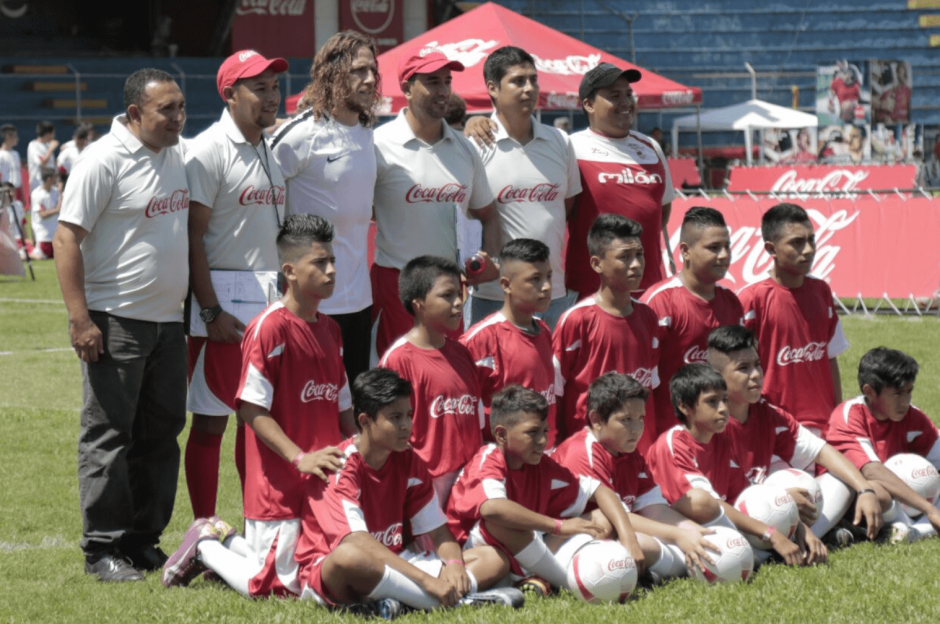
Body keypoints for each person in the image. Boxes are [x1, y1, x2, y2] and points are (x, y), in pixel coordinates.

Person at [164, 214, 358, 595]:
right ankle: (205, 545)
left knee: (315, 574)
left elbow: (344, 409)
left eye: (332, 261)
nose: (332, 270)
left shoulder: (331, 331)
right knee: (272, 586)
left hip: (322, 482)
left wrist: (358, 454)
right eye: (320, 263)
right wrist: (299, 457)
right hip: (278, 485)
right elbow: (251, 410)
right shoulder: (269, 327)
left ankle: (223, 538)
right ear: (289, 270)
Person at [52, 68, 189, 582]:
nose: (178, 117)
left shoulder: (178, 155)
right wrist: (80, 319)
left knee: (162, 434)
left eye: (180, 107)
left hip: (168, 324)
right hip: (115, 322)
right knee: (110, 435)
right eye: (166, 110)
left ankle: (142, 540)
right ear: (134, 113)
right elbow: (66, 239)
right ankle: (102, 550)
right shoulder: (101, 161)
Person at [182, 49, 289, 520]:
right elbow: (192, 236)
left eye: (274, 86)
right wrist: (209, 311)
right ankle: (203, 528)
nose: (272, 96)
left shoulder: (270, 145)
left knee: (257, 422)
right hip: (223, 314)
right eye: (259, 88)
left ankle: (257, 523)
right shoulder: (207, 151)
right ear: (230, 95)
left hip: (266, 311)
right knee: (210, 423)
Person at [445, 385, 646, 591]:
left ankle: (539, 579)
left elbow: (600, 490)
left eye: (545, 431)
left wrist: (628, 539)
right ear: (502, 435)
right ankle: (570, 585)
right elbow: (493, 509)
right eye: (532, 432)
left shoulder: (542, 465)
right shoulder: (489, 458)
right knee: (501, 538)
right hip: (474, 555)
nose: (543, 441)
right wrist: (558, 526)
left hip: (524, 552)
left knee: (601, 518)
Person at [371, 49, 500, 360]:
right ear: (406, 88)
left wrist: (490, 258)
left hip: (449, 288)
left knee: (446, 377)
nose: (443, 91)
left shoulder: (465, 149)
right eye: (432, 82)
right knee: (396, 388)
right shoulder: (377, 145)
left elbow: (488, 215)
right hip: (396, 287)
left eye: (446, 81)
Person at [706, 325, 883, 546]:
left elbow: (822, 452)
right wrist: (781, 500)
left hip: (771, 512)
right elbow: (715, 504)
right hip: (732, 521)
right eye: (743, 368)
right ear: (717, 377)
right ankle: (802, 540)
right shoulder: (707, 426)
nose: (756, 375)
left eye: (757, 365)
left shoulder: (769, 414)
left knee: (840, 480)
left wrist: (864, 489)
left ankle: (802, 539)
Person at [272, 31, 380, 387]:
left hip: (358, 300)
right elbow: (257, 198)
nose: (369, 79)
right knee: (308, 407)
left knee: (354, 411)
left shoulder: (367, 133)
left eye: (372, 70)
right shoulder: (302, 134)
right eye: (358, 71)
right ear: (332, 74)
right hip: (310, 305)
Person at [553, 372, 719, 580]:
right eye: (626, 420)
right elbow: (618, 519)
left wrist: (696, 533)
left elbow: (654, 509)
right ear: (596, 420)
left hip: (612, 534)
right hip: (564, 543)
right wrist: (679, 535)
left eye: (641, 418)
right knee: (638, 541)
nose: (637, 428)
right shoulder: (582, 452)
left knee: (681, 536)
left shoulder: (630, 453)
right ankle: (688, 566)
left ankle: (684, 563)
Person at [464, 46, 581, 329]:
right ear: (493, 88)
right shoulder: (472, 147)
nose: (530, 88)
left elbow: (567, 207)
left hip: (554, 294)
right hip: (495, 296)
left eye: (533, 80)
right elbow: (465, 220)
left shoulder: (561, 141)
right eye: (518, 81)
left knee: (554, 374)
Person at [645, 364, 808, 567]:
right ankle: (756, 554)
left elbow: (742, 495)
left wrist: (795, 523)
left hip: (712, 526)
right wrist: (771, 534)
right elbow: (703, 505)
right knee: (700, 500)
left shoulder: (721, 440)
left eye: (724, 399)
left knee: (771, 499)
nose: (723, 408)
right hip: (674, 533)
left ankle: (777, 548)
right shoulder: (673, 443)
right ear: (684, 407)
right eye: (712, 402)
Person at [738, 203, 849, 439]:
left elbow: (830, 357)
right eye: (797, 242)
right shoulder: (750, 299)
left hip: (824, 428)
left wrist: (838, 415)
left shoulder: (822, 291)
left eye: (812, 240)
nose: (808, 250)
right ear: (771, 248)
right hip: (772, 428)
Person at [379, 256, 483, 504]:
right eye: (447, 296)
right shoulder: (398, 360)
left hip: (469, 477)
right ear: (419, 304)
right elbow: (386, 432)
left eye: (460, 294)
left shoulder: (461, 352)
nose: (459, 303)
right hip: (424, 483)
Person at [553, 214, 660, 449]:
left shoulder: (649, 318)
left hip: (637, 456)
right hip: (587, 454)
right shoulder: (576, 320)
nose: (636, 264)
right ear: (596, 263)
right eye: (624, 257)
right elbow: (554, 393)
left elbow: (650, 390)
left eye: (639, 255)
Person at [567, 63, 674, 297]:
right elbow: (564, 216)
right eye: (615, 96)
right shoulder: (571, 148)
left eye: (628, 94)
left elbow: (661, 214)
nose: (626, 103)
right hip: (591, 291)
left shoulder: (650, 147)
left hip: (649, 287)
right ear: (589, 104)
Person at [641, 207, 743, 440]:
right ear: (685, 251)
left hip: (719, 438)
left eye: (727, 246)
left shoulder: (732, 303)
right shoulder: (659, 303)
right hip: (668, 438)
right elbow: (641, 381)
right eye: (713, 248)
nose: (724, 255)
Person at [827, 348, 940, 542]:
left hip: (902, 496)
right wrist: (928, 508)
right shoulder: (849, 415)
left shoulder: (913, 416)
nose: (905, 402)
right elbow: (871, 471)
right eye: (897, 394)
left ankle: (907, 530)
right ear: (869, 391)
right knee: (877, 492)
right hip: (859, 494)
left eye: (909, 392)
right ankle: (912, 528)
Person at [461, 238, 557, 446]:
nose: (547, 286)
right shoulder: (479, 341)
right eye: (535, 279)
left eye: (549, 276)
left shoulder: (545, 331)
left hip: (543, 457)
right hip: (501, 465)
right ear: (506, 285)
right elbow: (462, 414)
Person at [29, 168, 61, 259]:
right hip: (44, 235)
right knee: (45, 256)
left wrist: (60, 192)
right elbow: (42, 214)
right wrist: (57, 210)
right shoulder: (37, 193)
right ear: (49, 179)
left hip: (55, 235)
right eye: (55, 177)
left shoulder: (56, 191)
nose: (56, 180)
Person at [27, 120, 57, 195]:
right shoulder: (33, 145)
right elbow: (42, 163)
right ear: (47, 134)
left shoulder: (47, 145)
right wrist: (50, 149)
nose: (54, 136)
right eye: (52, 133)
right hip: (38, 183)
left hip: (50, 184)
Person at [0, 124, 23, 199]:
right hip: (5, 191)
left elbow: (18, 175)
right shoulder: (1, 155)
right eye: (14, 136)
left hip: (17, 190)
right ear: (7, 136)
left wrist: (21, 193)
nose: (17, 138)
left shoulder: (16, 154)